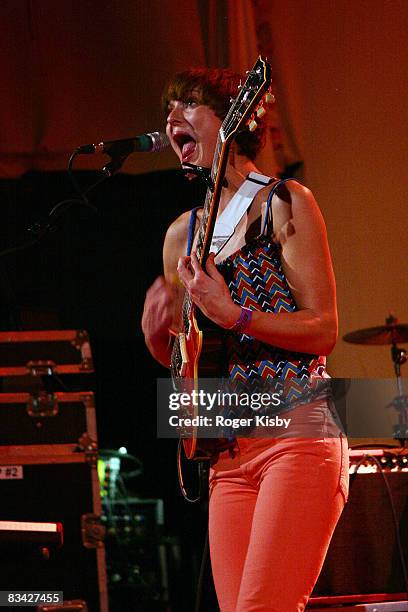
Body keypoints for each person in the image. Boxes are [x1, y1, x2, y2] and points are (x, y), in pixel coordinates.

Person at [142, 67, 349, 612]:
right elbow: (188, 358)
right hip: (226, 456)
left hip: (296, 435)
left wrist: (237, 316)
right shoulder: (178, 237)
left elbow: (323, 328)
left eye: (189, 104)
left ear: (233, 121)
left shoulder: (284, 201)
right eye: (169, 109)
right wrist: (158, 341)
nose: (172, 118)